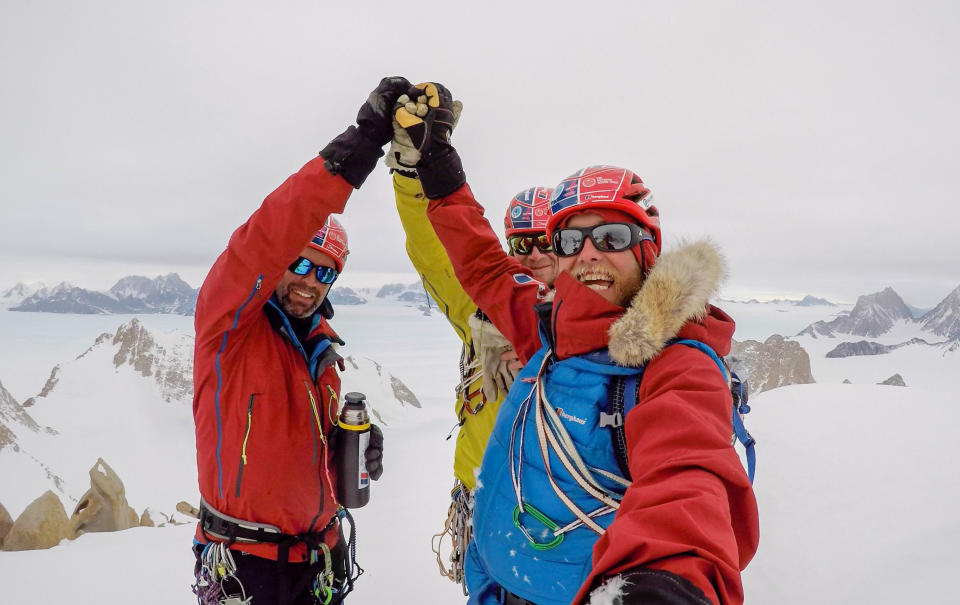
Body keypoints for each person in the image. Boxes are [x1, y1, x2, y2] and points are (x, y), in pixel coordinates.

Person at [391, 82, 759, 604]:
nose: (588, 255)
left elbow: (688, 475)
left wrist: (663, 584)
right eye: (570, 240)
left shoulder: (678, 364)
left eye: (610, 238)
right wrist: (438, 167)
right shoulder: (549, 327)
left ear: (647, 252)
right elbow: (480, 261)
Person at [191, 77, 411, 605]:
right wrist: (357, 148)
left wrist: (344, 453)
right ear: (277, 264)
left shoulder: (321, 354)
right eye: (301, 264)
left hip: (319, 559)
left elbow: (285, 453)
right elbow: (266, 235)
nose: (312, 281)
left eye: (326, 273)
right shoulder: (229, 329)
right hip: (243, 566)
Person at [389, 124, 559, 586]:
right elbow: (436, 253)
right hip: (482, 498)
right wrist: (412, 174)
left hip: (557, 520)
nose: (536, 254)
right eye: (523, 243)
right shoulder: (479, 309)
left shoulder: (592, 329)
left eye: (548, 241)